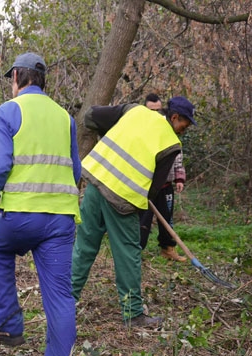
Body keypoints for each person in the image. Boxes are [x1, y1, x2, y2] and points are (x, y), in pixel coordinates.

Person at [0, 52, 81, 356]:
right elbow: (76, 170)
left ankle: (9, 325)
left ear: (17, 78)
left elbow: (0, 164)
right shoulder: (65, 117)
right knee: (61, 297)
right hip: (61, 218)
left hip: (20, 216)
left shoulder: (7, 112)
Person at [71, 96, 197, 328]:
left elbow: (91, 116)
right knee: (128, 254)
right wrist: (140, 211)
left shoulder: (135, 110)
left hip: (96, 182)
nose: (184, 131)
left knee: (84, 246)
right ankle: (133, 314)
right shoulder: (171, 144)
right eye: (184, 125)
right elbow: (155, 187)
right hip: (121, 198)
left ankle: (65, 303)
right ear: (175, 117)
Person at [139, 93, 187, 261]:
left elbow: (177, 155)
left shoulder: (171, 130)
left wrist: (179, 177)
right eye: (151, 110)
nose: (155, 114)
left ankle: (168, 248)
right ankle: (136, 250)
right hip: (147, 185)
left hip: (165, 185)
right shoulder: (142, 128)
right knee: (142, 220)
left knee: (167, 217)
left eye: (158, 110)